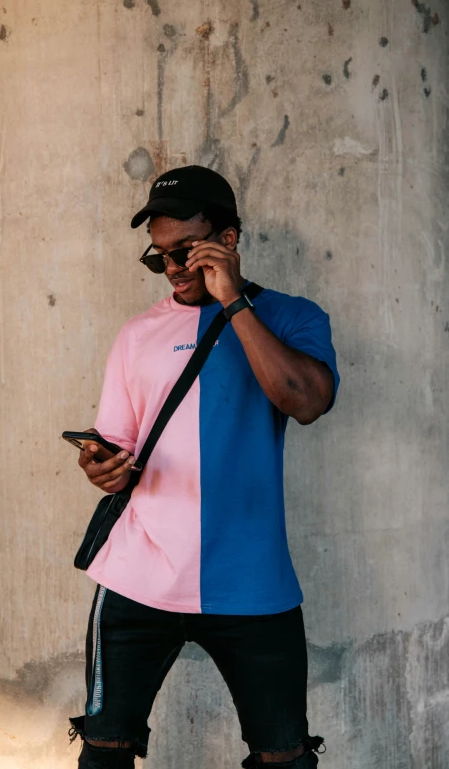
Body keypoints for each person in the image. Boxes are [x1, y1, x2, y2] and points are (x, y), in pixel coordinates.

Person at [68, 165, 340, 768]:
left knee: (285, 757)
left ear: (229, 240)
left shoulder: (294, 317)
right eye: (159, 257)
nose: (173, 269)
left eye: (187, 251)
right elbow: (116, 444)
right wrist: (102, 467)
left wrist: (233, 302)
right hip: (139, 575)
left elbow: (308, 402)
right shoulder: (136, 335)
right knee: (104, 749)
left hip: (251, 580)